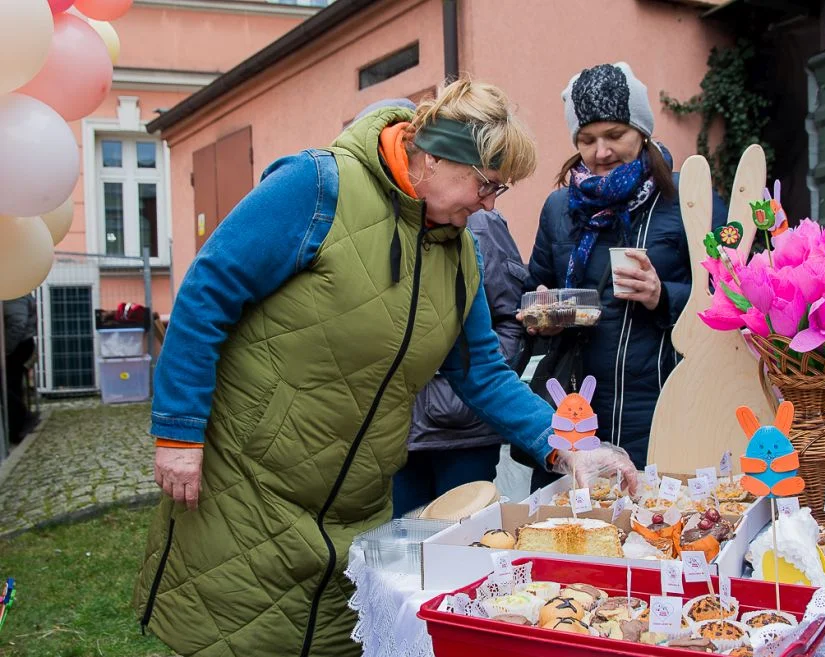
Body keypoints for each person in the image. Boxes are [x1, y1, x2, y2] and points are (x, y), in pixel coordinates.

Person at [133, 79, 637, 657]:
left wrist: (566, 445)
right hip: (249, 486)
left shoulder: (460, 251)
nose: (489, 204)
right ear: (437, 156)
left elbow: (483, 374)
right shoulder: (319, 186)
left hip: (358, 504)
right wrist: (178, 430)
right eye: (486, 184)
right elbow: (206, 293)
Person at [522, 63, 727, 488]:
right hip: (578, 413)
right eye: (587, 139)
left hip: (665, 409)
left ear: (643, 131)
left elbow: (735, 301)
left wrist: (663, 295)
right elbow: (531, 291)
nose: (600, 152)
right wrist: (543, 313)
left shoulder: (689, 201)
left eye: (615, 135)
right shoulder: (560, 209)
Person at [394, 207, 527, 518]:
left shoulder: (481, 222)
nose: (489, 199)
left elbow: (511, 320)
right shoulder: (383, 216)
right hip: (393, 429)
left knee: (460, 547)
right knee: (397, 547)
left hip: (462, 431)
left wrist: (463, 384)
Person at [3, 293, 38, 444]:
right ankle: (17, 428)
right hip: (20, 344)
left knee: (7, 385)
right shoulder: (18, 292)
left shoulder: (13, 294)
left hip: (17, 345)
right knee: (13, 385)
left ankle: (21, 420)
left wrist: (5, 349)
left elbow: (17, 323)